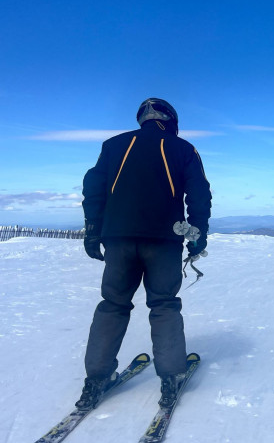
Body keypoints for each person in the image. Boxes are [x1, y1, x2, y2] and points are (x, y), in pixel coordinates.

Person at [77, 98, 212, 410]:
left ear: (143, 119)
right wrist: (198, 232)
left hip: (118, 239)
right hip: (164, 240)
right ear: (171, 120)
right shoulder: (183, 149)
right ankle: (170, 377)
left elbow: (93, 186)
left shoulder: (113, 145)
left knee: (112, 304)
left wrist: (92, 229)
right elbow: (199, 192)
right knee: (164, 305)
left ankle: (95, 379)